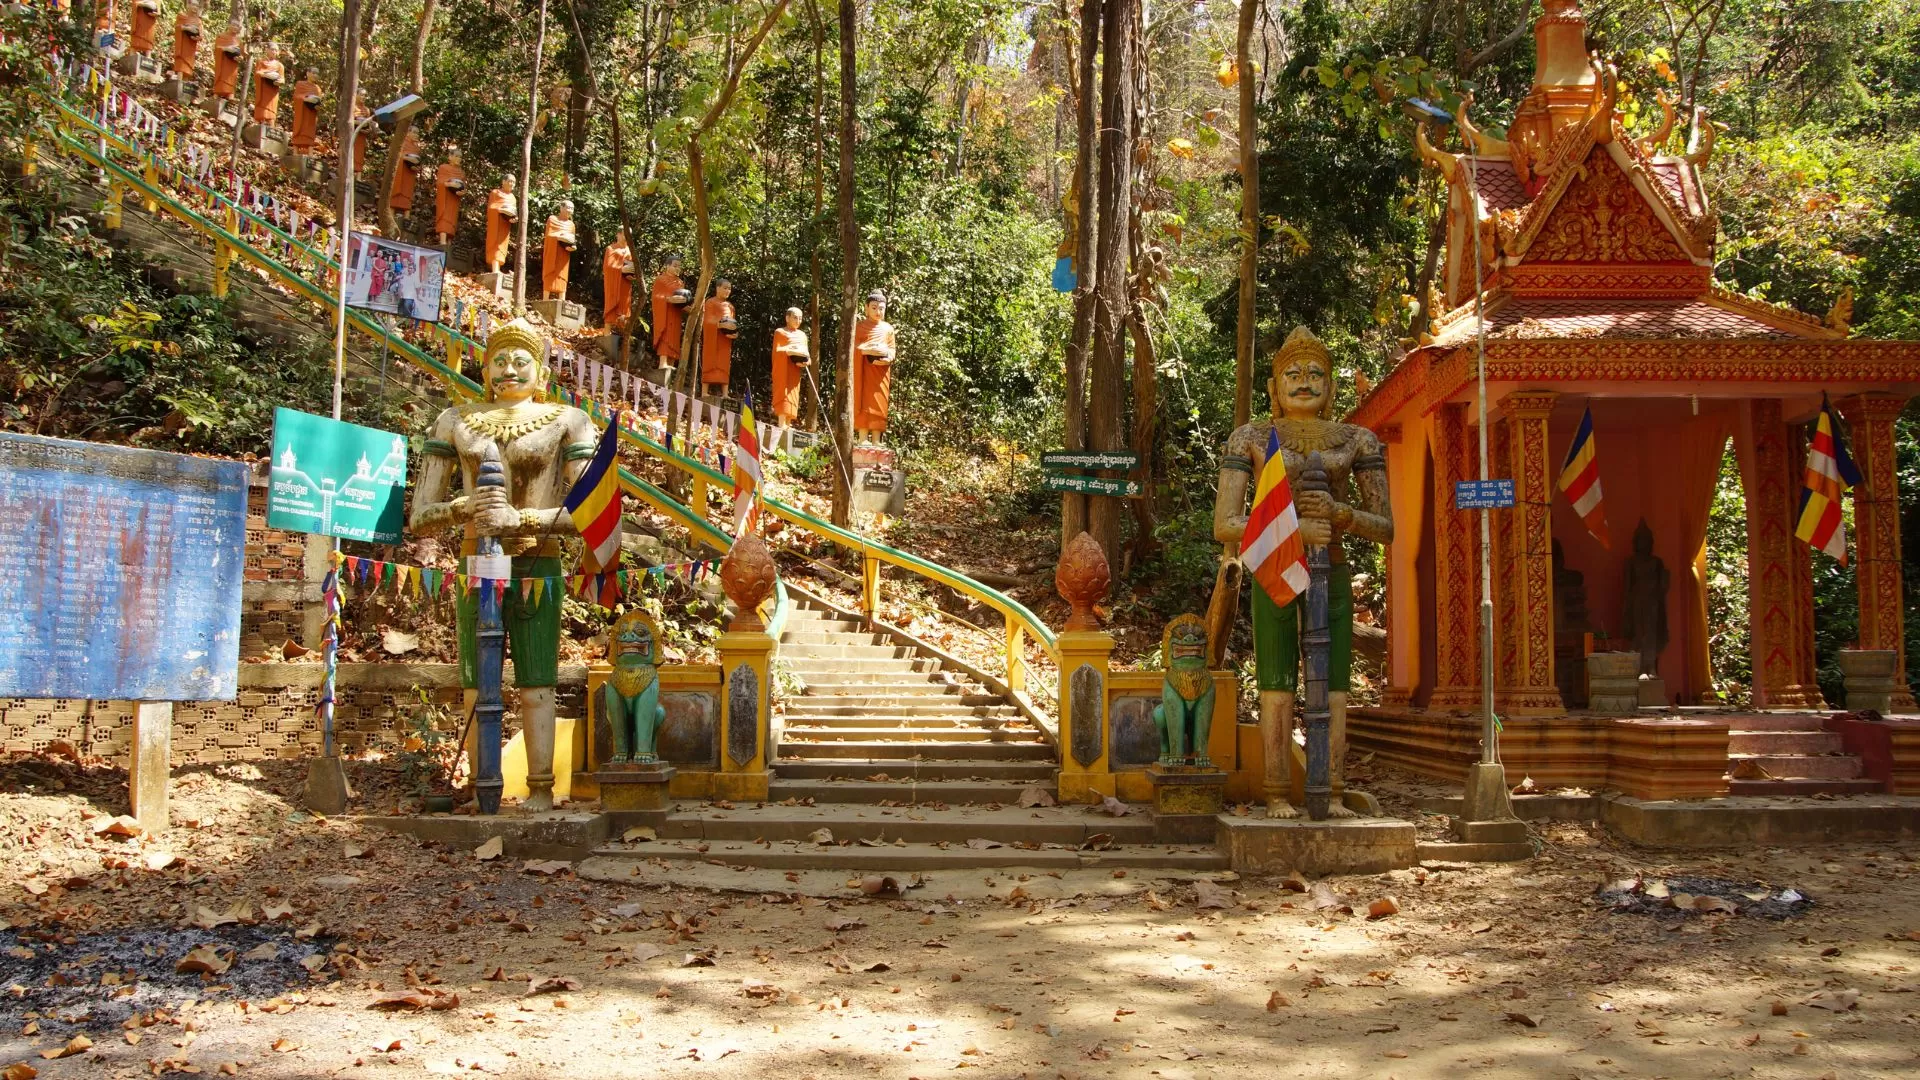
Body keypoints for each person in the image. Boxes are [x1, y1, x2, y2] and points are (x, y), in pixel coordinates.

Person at [851, 291, 897, 443]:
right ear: (866, 308)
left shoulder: (888, 329)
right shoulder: (860, 327)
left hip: (881, 372)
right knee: (864, 401)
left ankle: (877, 439)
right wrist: (867, 350)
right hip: (864, 371)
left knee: (880, 402)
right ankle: (862, 437)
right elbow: (854, 348)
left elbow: (892, 349)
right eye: (874, 307)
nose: (878, 311)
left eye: (881, 308)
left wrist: (888, 357)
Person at [769, 307, 809, 429]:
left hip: (795, 370)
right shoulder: (780, 332)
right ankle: (781, 423)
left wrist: (807, 362)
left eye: (800, 318)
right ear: (787, 318)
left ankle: (788, 423)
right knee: (783, 393)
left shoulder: (802, 335)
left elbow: (806, 353)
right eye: (795, 317)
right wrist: (790, 351)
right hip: (783, 369)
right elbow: (777, 350)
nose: (798, 320)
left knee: (793, 394)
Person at [650, 255, 690, 369]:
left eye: (679, 266)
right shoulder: (660, 280)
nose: (677, 268)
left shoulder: (680, 282)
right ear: (667, 266)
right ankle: (663, 362)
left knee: (674, 337)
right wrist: (668, 299)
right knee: (666, 335)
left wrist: (687, 307)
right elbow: (656, 297)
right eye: (675, 265)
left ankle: (671, 363)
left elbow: (682, 299)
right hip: (665, 313)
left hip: (675, 314)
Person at [700, 279, 737, 399]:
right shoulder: (710, 302)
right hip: (713, 338)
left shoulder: (730, 307)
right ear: (717, 288)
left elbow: (733, 324)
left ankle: (725, 393)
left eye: (729, 289)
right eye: (725, 288)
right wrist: (720, 324)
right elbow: (707, 320)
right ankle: (705, 391)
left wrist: (734, 333)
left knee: (724, 364)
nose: (727, 291)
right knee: (710, 361)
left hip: (725, 341)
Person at [484, 175, 517, 275]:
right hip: (496, 223)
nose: (511, 184)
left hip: (505, 225)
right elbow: (491, 208)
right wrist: (500, 209)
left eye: (513, 182)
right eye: (509, 181)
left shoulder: (513, 198)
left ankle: (498, 268)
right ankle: (495, 268)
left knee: (502, 245)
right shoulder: (495, 193)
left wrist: (513, 218)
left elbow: (513, 212)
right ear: (503, 181)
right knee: (495, 243)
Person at [288, 68, 322, 153]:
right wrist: (305, 99)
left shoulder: (318, 89)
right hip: (301, 112)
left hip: (311, 114)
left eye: (317, 74)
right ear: (307, 73)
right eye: (313, 73)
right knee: (299, 132)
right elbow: (296, 97)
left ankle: (310, 155)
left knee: (309, 134)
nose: (315, 75)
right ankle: (295, 153)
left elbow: (319, 102)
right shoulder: (300, 84)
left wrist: (317, 106)